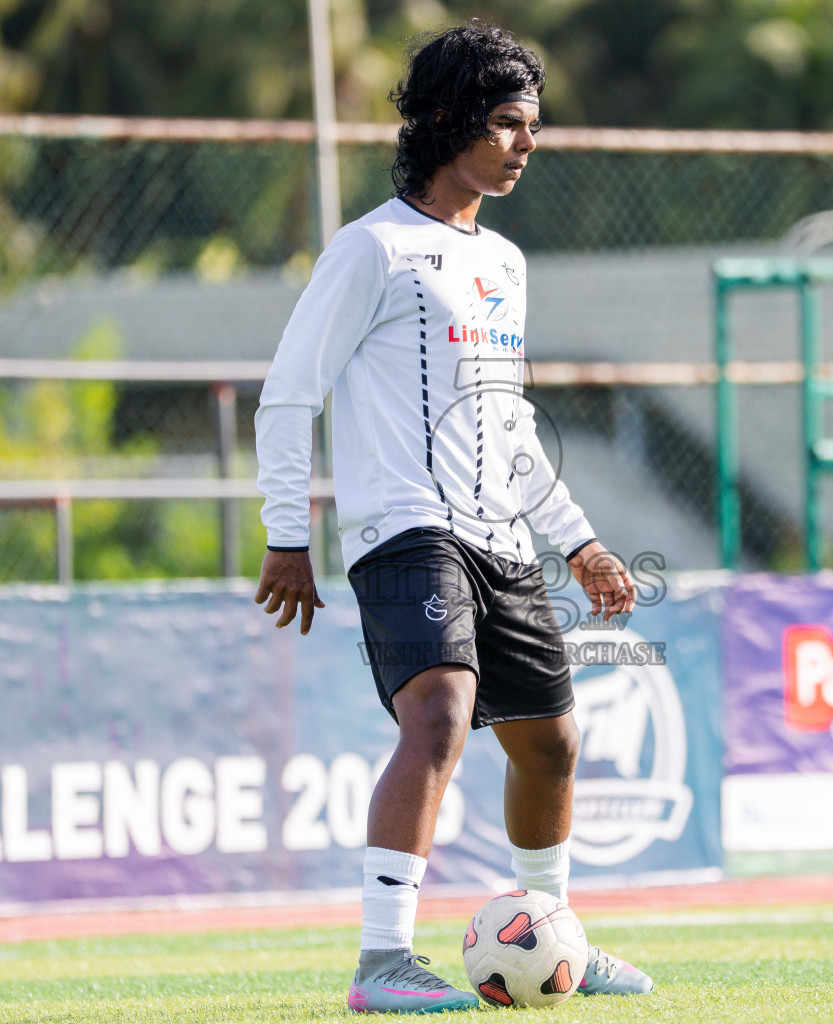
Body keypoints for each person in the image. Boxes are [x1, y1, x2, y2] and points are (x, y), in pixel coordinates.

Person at [252, 21, 654, 1014]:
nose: (528, 143)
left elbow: (508, 425)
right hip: (404, 529)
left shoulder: (506, 265)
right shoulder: (371, 249)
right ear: (448, 122)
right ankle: (382, 960)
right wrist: (287, 533)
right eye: (510, 123)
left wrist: (581, 540)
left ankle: (551, 932)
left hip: (501, 538)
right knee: (439, 710)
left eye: (534, 126)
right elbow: (288, 391)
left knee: (552, 741)